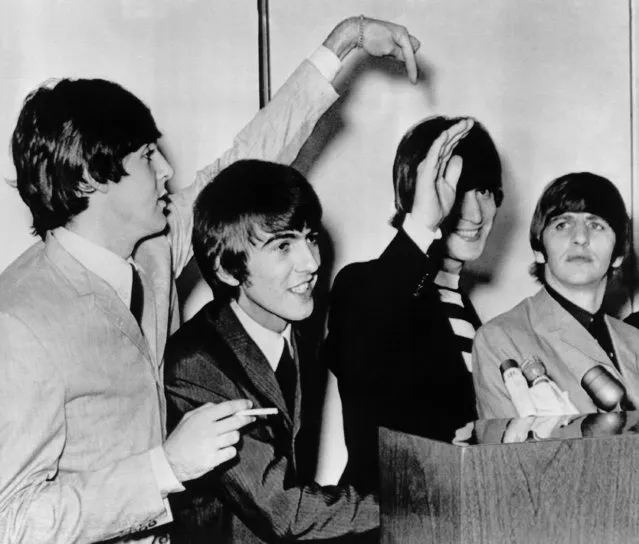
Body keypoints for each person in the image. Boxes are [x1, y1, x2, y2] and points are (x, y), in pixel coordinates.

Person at [0, 16, 420, 544]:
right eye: (147, 157)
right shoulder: (19, 319)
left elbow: (246, 159)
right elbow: (11, 521)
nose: (168, 171)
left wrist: (344, 43)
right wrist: (163, 468)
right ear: (89, 177)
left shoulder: (150, 251)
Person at [321, 116, 502, 492]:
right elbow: (359, 353)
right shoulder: (362, 285)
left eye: (483, 190)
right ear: (413, 193)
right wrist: (421, 225)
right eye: (454, 188)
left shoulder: (473, 318)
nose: (473, 212)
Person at [473, 172, 639, 419]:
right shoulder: (500, 339)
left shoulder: (634, 340)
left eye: (596, 225)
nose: (580, 238)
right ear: (540, 250)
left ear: (618, 255)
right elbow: (509, 457)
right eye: (562, 224)